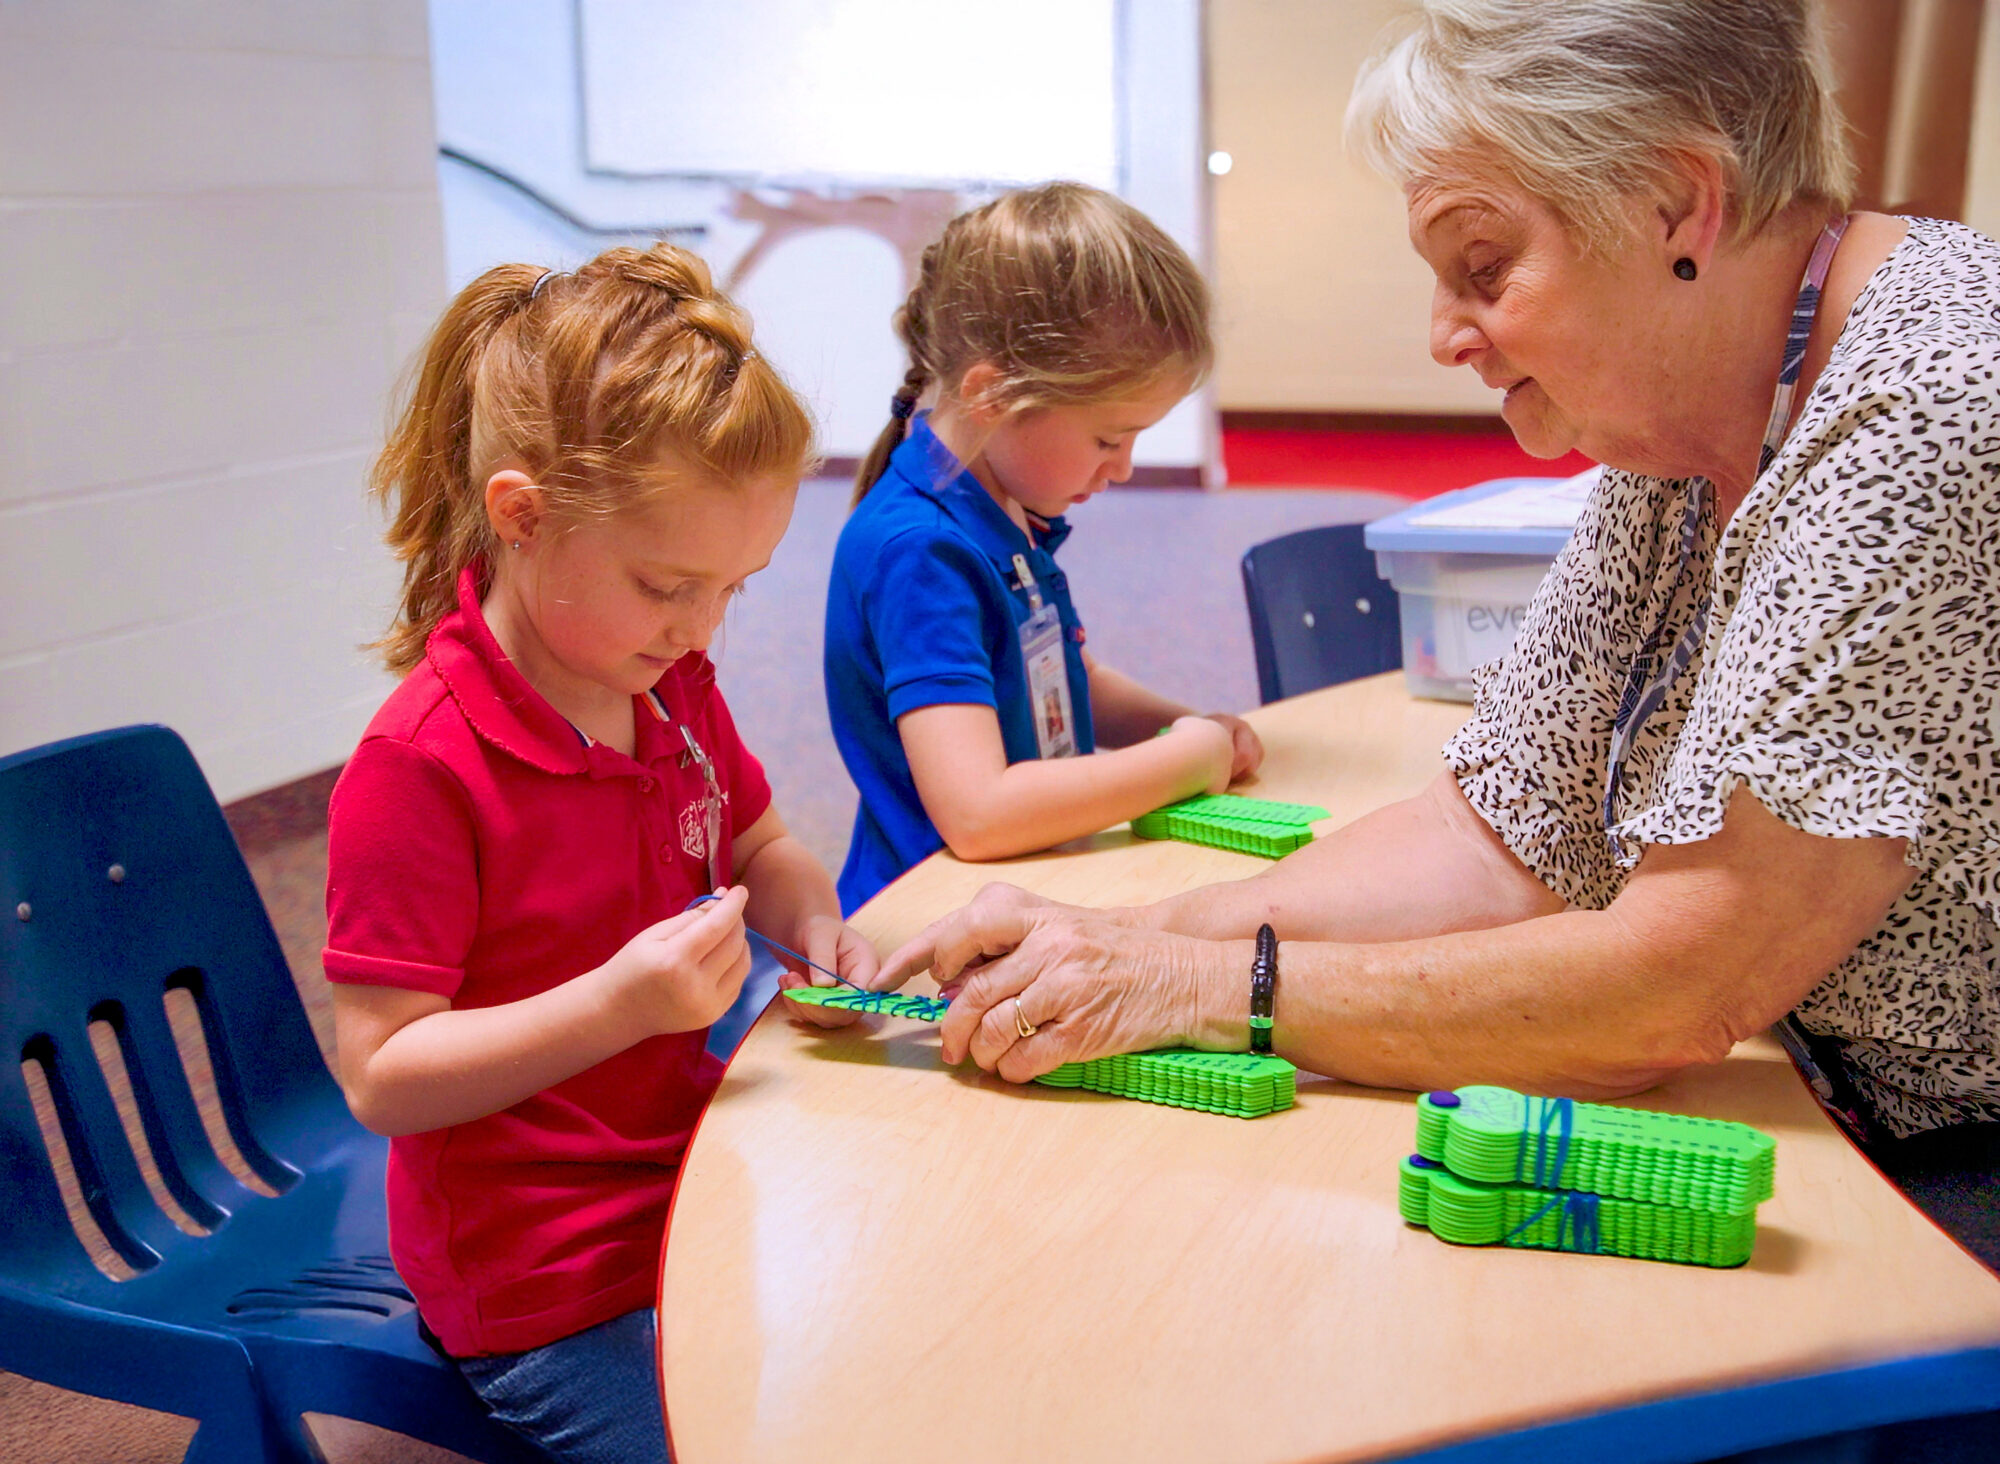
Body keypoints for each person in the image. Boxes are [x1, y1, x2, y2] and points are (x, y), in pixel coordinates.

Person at [873, 0, 2000, 1264]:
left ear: (1676, 205)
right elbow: (1494, 832)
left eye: (1484, 266)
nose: (1442, 335)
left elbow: (1681, 983)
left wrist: (1207, 986)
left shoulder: (1935, 403)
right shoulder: (1691, 408)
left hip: (1949, 1152)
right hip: (1828, 1092)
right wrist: (1141, 939)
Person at [322, 243, 877, 1463]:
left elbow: (761, 840)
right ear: (521, 516)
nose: (702, 626)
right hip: (541, 1273)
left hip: (696, 1173)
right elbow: (381, 1075)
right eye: (667, 585)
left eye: (733, 588)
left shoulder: (669, 683)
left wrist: (811, 921)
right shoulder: (420, 766)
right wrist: (619, 1005)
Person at [822, 183, 1265, 914]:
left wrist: (1187, 726)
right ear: (992, 396)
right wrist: (1182, 760)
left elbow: (1062, 683)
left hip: (1024, 892)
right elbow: (979, 814)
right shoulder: (922, 553)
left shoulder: (1000, 506)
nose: (1124, 468)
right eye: (1108, 438)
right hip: (933, 923)